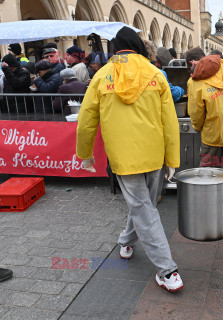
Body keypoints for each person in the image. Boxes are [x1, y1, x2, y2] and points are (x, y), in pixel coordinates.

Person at [76, 26, 183, 292]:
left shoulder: (102, 76)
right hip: (155, 154)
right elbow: (170, 122)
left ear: (115, 49)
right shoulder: (156, 74)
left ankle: (154, 261)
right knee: (145, 208)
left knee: (142, 208)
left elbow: (86, 122)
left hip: (123, 158)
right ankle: (164, 267)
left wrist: (85, 154)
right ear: (137, 46)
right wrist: (172, 158)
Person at [187, 54, 223, 171]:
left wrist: (197, 127)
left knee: (207, 169)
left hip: (213, 133)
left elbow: (196, 112)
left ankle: (206, 189)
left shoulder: (194, 81)